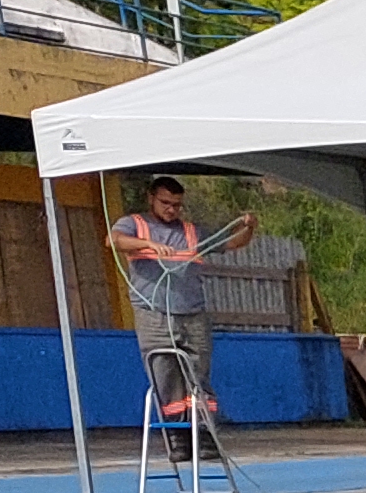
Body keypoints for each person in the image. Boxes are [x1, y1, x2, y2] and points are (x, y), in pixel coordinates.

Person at [107, 174, 255, 448]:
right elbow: (114, 240)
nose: (171, 209)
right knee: (165, 373)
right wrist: (149, 245)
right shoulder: (135, 224)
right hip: (153, 314)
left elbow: (234, 242)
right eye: (165, 202)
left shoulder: (191, 231)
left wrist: (249, 228)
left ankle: (204, 432)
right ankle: (177, 436)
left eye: (176, 204)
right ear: (151, 198)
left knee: (198, 372)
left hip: (192, 313)